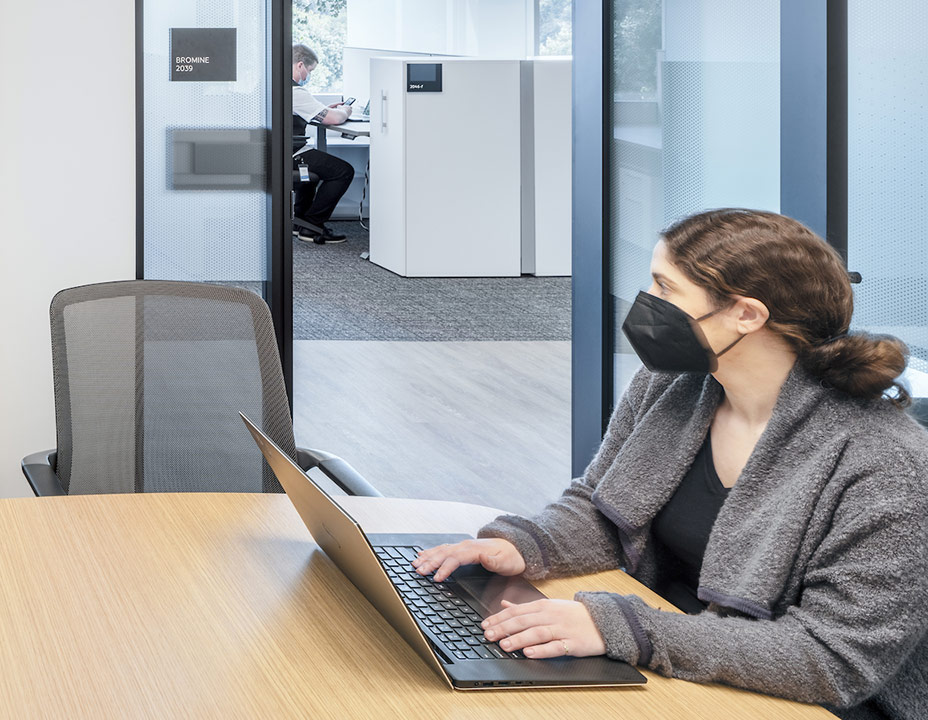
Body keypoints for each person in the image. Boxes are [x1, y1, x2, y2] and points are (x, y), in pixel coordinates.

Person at [413, 209, 928, 717]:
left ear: (747, 314)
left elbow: (832, 660)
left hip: (811, 698)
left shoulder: (888, 463)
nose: (646, 305)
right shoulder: (673, 386)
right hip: (680, 645)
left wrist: (621, 629)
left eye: (664, 288)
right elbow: (600, 506)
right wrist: (525, 545)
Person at [289, 43, 355, 243]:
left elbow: (302, 111)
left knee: (314, 171)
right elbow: (334, 119)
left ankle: (300, 221)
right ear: (300, 65)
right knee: (343, 171)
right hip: (291, 152)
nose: (308, 75)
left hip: (279, 151)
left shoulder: (273, 83)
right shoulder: (294, 91)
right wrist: (346, 111)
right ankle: (313, 225)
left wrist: (324, 109)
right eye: (309, 71)